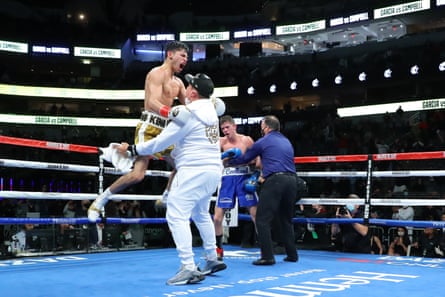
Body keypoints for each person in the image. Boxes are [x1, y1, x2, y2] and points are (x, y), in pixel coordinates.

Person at [115, 73, 227, 285]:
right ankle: (212, 258)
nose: (184, 88)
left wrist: (131, 149)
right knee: (201, 212)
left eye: (188, 85)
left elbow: (159, 142)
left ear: (193, 92)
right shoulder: (211, 110)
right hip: (213, 170)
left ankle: (188, 267)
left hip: (194, 169)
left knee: (176, 214)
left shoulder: (189, 114)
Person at [88, 41, 189, 222]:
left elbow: (189, 107)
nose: (186, 60)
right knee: (137, 175)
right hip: (149, 128)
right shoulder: (155, 74)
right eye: (183, 55)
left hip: (167, 132)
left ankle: (166, 196)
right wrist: (173, 112)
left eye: (187, 57)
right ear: (170, 54)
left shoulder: (179, 83)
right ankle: (100, 201)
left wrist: (205, 107)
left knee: (183, 165)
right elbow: (151, 103)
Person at [228, 115, 298, 265]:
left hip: (275, 180)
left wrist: (230, 161)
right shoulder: (286, 140)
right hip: (292, 180)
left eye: (262, 127)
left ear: (266, 127)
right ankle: (292, 254)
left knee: (262, 219)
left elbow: (246, 157)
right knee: (286, 219)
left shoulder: (264, 141)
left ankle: (267, 256)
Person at [215, 115, 260, 259]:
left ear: (234, 126)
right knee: (217, 218)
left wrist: (256, 175)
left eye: (227, 127)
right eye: (223, 129)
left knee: (255, 215)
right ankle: (218, 250)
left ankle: (265, 247)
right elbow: (213, 161)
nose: (225, 131)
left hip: (244, 177)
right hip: (227, 178)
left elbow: (258, 158)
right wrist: (224, 156)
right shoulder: (221, 142)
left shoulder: (246, 140)